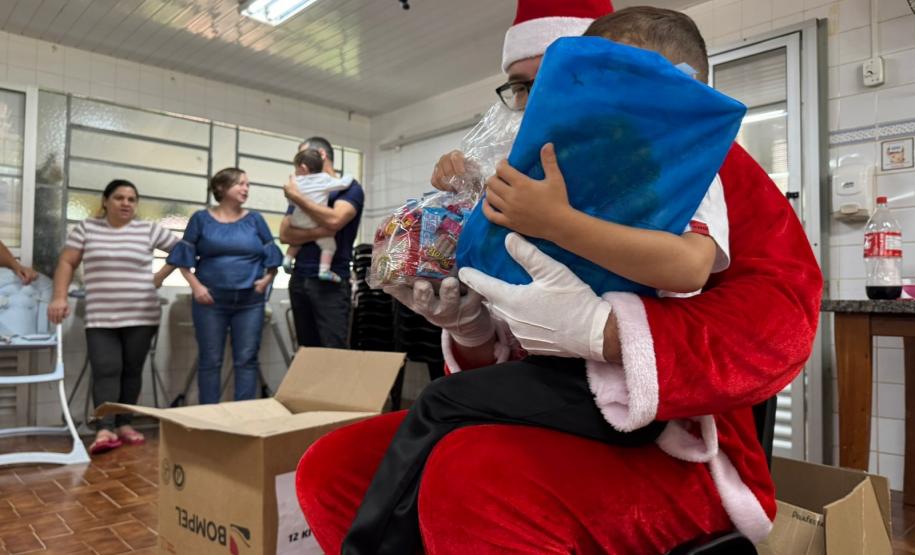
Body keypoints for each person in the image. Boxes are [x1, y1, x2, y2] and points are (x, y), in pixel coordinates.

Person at [297, 3, 822, 554]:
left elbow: (778, 321)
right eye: (521, 89)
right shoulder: (520, 180)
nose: (538, 102)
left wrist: (607, 331)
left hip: (672, 434)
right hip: (546, 402)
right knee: (333, 469)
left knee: (473, 472)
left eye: (556, 77)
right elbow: (515, 335)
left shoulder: (697, 164)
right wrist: (472, 330)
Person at [47, 179, 178, 455]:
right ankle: (104, 428)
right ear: (105, 201)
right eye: (119, 198)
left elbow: (183, 251)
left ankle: (124, 424)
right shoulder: (87, 228)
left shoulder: (148, 230)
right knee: (106, 369)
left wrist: (159, 277)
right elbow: (67, 262)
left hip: (142, 314)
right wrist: (59, 296)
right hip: (100, 316)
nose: (126, 203)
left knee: (132, 370)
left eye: (131, 199)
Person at [167, 168, 283, 404]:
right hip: (210, 301)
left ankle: (243, 418)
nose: (246, 188)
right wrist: (197, 287)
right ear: (221, 188)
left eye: (247, 184)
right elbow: (183, 259)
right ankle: (209, 418)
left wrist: (266, 280)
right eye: (240, 184)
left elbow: (273, 256)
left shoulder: (255, 220)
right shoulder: (200, 219)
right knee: (210, 360)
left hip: (250, 302)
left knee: (247, 359)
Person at [280, 136, 364, 348]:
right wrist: (322, 231)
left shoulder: (349, 188)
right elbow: (285, 234)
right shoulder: (302, 187)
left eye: (302, 159)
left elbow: (335, 220)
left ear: (322, 155)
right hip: (299, 279)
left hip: (331, 283)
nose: (298, 166)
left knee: (333, 354)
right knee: (306, 353)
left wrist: (298, 198)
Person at [281, 148, 354, 283]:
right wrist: (349, 176)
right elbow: (343, 184)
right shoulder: (323, 179)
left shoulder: (295, 182)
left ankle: (287, 259)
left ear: (303, 168)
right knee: (329, 246)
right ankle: (324, 270)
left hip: (296, 220)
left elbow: (291, 200)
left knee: (297, 241)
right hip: (315, 221)